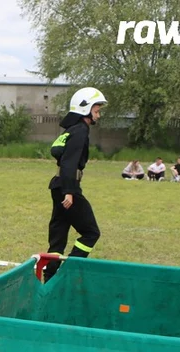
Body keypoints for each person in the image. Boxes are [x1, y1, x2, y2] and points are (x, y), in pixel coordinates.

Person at [43, 86, 106, 281]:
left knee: (58, 237)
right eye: (96, 110)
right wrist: (69, 192)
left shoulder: (71, 130)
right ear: (85, 108)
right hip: (67, 187)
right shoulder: (80, 131)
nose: (99, 114)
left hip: (58, 185)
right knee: (91, 232)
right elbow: (69, 161)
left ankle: (50, 278)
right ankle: (68, 272)